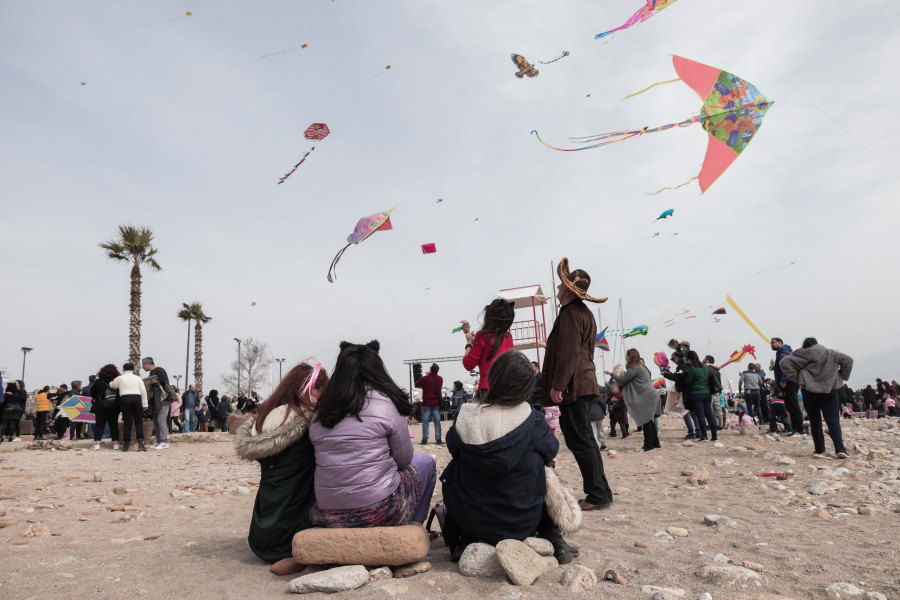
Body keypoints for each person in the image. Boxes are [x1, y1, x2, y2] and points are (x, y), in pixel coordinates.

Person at [440, 350, 582, 564]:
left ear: (493, 378)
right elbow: (551, 450)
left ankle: (466, 538)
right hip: (521, 519)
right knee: (543, 467)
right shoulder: (532, 417)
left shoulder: (466, 415)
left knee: (463, 459)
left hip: (470, 519)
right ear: (527, 385)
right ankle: (551, 534)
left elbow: (453, 448)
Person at [309, 340, 436, 528]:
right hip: (381, 512)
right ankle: (416, 529)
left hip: (328, 515)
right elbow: (404, 461)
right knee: (426, 461)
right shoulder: (387, 402)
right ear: (377, 368)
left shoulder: (321, 410)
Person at [235, 359, 329, 565]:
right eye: (324, 392)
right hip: (293, 537)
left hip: (261, 537)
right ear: (313, 389)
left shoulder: (265, 416)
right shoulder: (309, 422)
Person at [541, 258, 612, 511]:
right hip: (585, 381)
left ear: (569, 290)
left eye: (561, 286)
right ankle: (601, 492)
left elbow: (569, 353)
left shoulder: (571, 313)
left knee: (580, 440)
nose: (558, 289)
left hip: (575, 385)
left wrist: (558, 385)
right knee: (586, 440)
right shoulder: (585, 312)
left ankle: (597, 495)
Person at [779, 337, 851, 458]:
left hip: (809, 391)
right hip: (829, 391)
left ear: (805, 346)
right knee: (833, 421)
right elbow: (848, 360)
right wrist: (841, 377)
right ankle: (840, 449)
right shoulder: (831, 353)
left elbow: (783, 363)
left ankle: (819, 449)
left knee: (815, 420)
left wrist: (798, 378)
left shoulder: (800, 354)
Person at [605, 349, 662, 451]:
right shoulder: (641, 366)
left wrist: (611, 374)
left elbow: (623, 379)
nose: (625, 358)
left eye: (626, 356)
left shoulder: (634, 367)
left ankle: (648, 444)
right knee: (649, 420)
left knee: (645, 420)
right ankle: (655, 442)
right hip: (651, 394)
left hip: (647, 395)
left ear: (630, 356)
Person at [461, 299, 516, 401]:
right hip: (506, 391)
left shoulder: (482, 336)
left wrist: (469, 343)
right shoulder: (508, 337)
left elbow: (468, 364)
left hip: (487, 391)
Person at [110, 362, 148, 451]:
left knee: (127, 422)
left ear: (123, 369)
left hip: (125, 399)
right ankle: (141, 443)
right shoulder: (137, 378)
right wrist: (145, 404)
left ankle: (126, 444)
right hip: (137, 398)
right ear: (133, 369)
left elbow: (112, 385)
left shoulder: (120, 378)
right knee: (139, 422)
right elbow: (143, 391)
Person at [771, 338, 805, 435]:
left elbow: (787, 366)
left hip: (788, 382)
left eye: (773, 343)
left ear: (779, 342)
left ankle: (799, 429)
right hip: (791, 381)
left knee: (793, 406)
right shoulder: (786, 352)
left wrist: (783, 380)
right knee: (791, 406)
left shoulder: (783, 353)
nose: (771, 345)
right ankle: (796, 429)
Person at [683, 351, 717, 442]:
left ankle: (704, 436)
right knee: (709, 415)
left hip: (696, 394)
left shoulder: (692, 369)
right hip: (707, 393)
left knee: (700, 416)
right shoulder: (705, 366)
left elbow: (688, 382)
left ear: (690, 359)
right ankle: (714, 436)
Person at [142, 357, 173, 449]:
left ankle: (164, 442)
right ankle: (159, 441)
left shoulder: (159, 370)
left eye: (143, 365)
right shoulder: (152, 373)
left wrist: (153, 383)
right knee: (155, 420)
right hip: (156, 401)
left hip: (163, 399)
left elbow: (163, 381)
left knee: (161, 419)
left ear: (147, 363)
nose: (142, 367)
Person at [89, 364, 122, 451]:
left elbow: (92, 393)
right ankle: (116, 444)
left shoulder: (98, 382)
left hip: (100, 406)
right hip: (114, 406)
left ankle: (97, 445)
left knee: (99, 425)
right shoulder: (117, 381)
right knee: (113, 424)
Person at [415, 363, 444, 445]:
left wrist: (427, 376)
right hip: (436, 403)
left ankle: (425, 439)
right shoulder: (440, 379)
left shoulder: (425, 378)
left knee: (425, 421)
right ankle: (438, 439)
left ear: (430, 370)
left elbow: (417, 384)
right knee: (437, 421)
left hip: (426, 403)